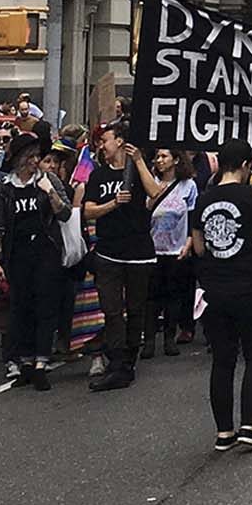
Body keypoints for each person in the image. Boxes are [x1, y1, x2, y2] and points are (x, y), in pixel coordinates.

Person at [190, 149, 252, 451]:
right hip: (248, 286)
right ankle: (249, 425)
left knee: (222, 359)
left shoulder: (204, 198)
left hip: (214, 288)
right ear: (244, 165)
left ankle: (224, 431)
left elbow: (200, 247)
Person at [77, 124, 171, 392]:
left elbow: (155, 192)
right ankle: (117, 363)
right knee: (112, 309)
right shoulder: (98, 175)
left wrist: (139, 160)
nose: (101, 146)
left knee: (136, 308)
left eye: (105, 140)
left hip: (139, 252)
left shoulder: (138, 169)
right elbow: (89, 211)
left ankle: (130, 360)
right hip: (109, 253)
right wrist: (113, 204)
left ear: (119, 141)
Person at [0, 136, 69, 391]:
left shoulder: (49, 181)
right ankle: (24, 360)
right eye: (31, 156)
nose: (36, 161)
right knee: (20, 307)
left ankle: (41, 362)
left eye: (38, 156)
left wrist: (51, 192)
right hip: (18, 253)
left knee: (45, 306)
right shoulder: (4, 187)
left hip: (46, 251)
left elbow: (65, 213)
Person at [147, 147, 198, 360]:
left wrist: (189, 243)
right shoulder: (151, 182)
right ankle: (149, 340)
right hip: (152, 248)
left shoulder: (189, 186)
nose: (160, 160)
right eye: (157, 156)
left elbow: (193, 217)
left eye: (164, 156)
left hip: (176, 248)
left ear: (176, 160)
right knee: (151, 296)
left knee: (173, 294)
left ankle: (170, 336)